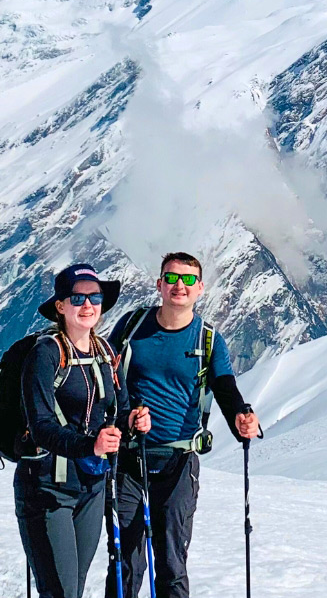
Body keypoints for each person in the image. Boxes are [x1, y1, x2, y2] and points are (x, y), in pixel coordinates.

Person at [106, 252, 261, 598]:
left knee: (172, 564)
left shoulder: (208, 340)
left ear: (200, 288)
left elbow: (224, 385)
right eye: (172, 278)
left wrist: (240, 416)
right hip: (131, 460)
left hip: (179, 463)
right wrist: (127, 417)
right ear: (159, 284)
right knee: (125, 563)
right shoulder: (132, 327)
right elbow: (110, 381)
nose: (180, 285)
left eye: (188, 279)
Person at [17, 263, 152, 598]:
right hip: (47, 488)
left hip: (91, 488)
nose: (88, 305)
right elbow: (41, 426)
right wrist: (90, 446)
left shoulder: (106, 353)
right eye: (77, 298)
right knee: (61, 592)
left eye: (95, 297)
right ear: (60, 306)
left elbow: (118, 413)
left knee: (73, 587)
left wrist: (134, 422)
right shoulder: (45, 354)